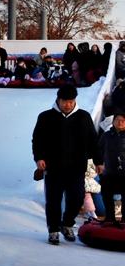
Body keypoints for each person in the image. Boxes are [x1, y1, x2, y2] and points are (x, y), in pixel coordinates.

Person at [32, 85, 100, 244]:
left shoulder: (84, 117)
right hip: (53, 167)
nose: (67, 104)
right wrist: (39, 158)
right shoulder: (45, 117)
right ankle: (53, 230)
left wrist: (99, 161)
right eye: (64, 101)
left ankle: (67, 223)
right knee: (53, 200)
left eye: (71, 101)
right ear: (58, 100)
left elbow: (93, 141)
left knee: (76, 198)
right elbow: (38, 140)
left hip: (76, 167)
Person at [97, 111, 125, 226]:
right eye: (118, 120)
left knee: (121, 197)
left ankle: (120, 218)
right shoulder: (106, 135)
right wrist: (99, 164)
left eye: (123, 121)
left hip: (124, 174)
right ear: (113, 121)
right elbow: (98, 151)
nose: (120, 122)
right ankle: (109, 218)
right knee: (107, 196)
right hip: (109, 173)